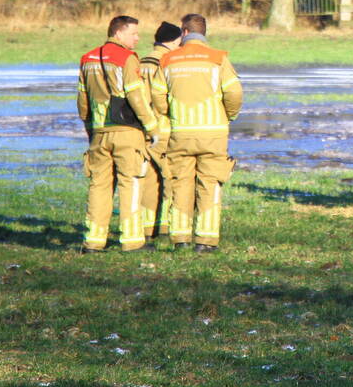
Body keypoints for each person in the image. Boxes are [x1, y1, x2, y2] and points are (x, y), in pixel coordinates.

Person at [150, 14, 243, 253]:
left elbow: (157, 96)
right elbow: (234, 93)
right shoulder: (218, 58)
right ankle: (206, 241)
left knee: (180, 183)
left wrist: (169, 113)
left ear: (183, 32)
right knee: (210, 184)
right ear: (205, 33)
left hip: (180, 132)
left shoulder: (169, 59)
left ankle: (180, 238)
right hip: (213, 133)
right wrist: (228, 115)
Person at [76, 15, 158, 253]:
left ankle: (93, 241)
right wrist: (151, 127)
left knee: (99, 186)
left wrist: (89, 127)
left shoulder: (87, 58)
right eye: (134, 33)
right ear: (119, 33)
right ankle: (133, 241)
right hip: (126, 132)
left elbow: (82, 99)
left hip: (100, 132)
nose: (137, 38)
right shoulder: (127, 58)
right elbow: (136, 96)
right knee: (130, 183)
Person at [138, 21, 182, 239]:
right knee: (170, 177)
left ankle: (147, 226)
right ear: (174, 41)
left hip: (141, 129)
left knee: (149, 179)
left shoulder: (141, 61)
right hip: (162, 128)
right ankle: (165, 226)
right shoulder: (166, 62)